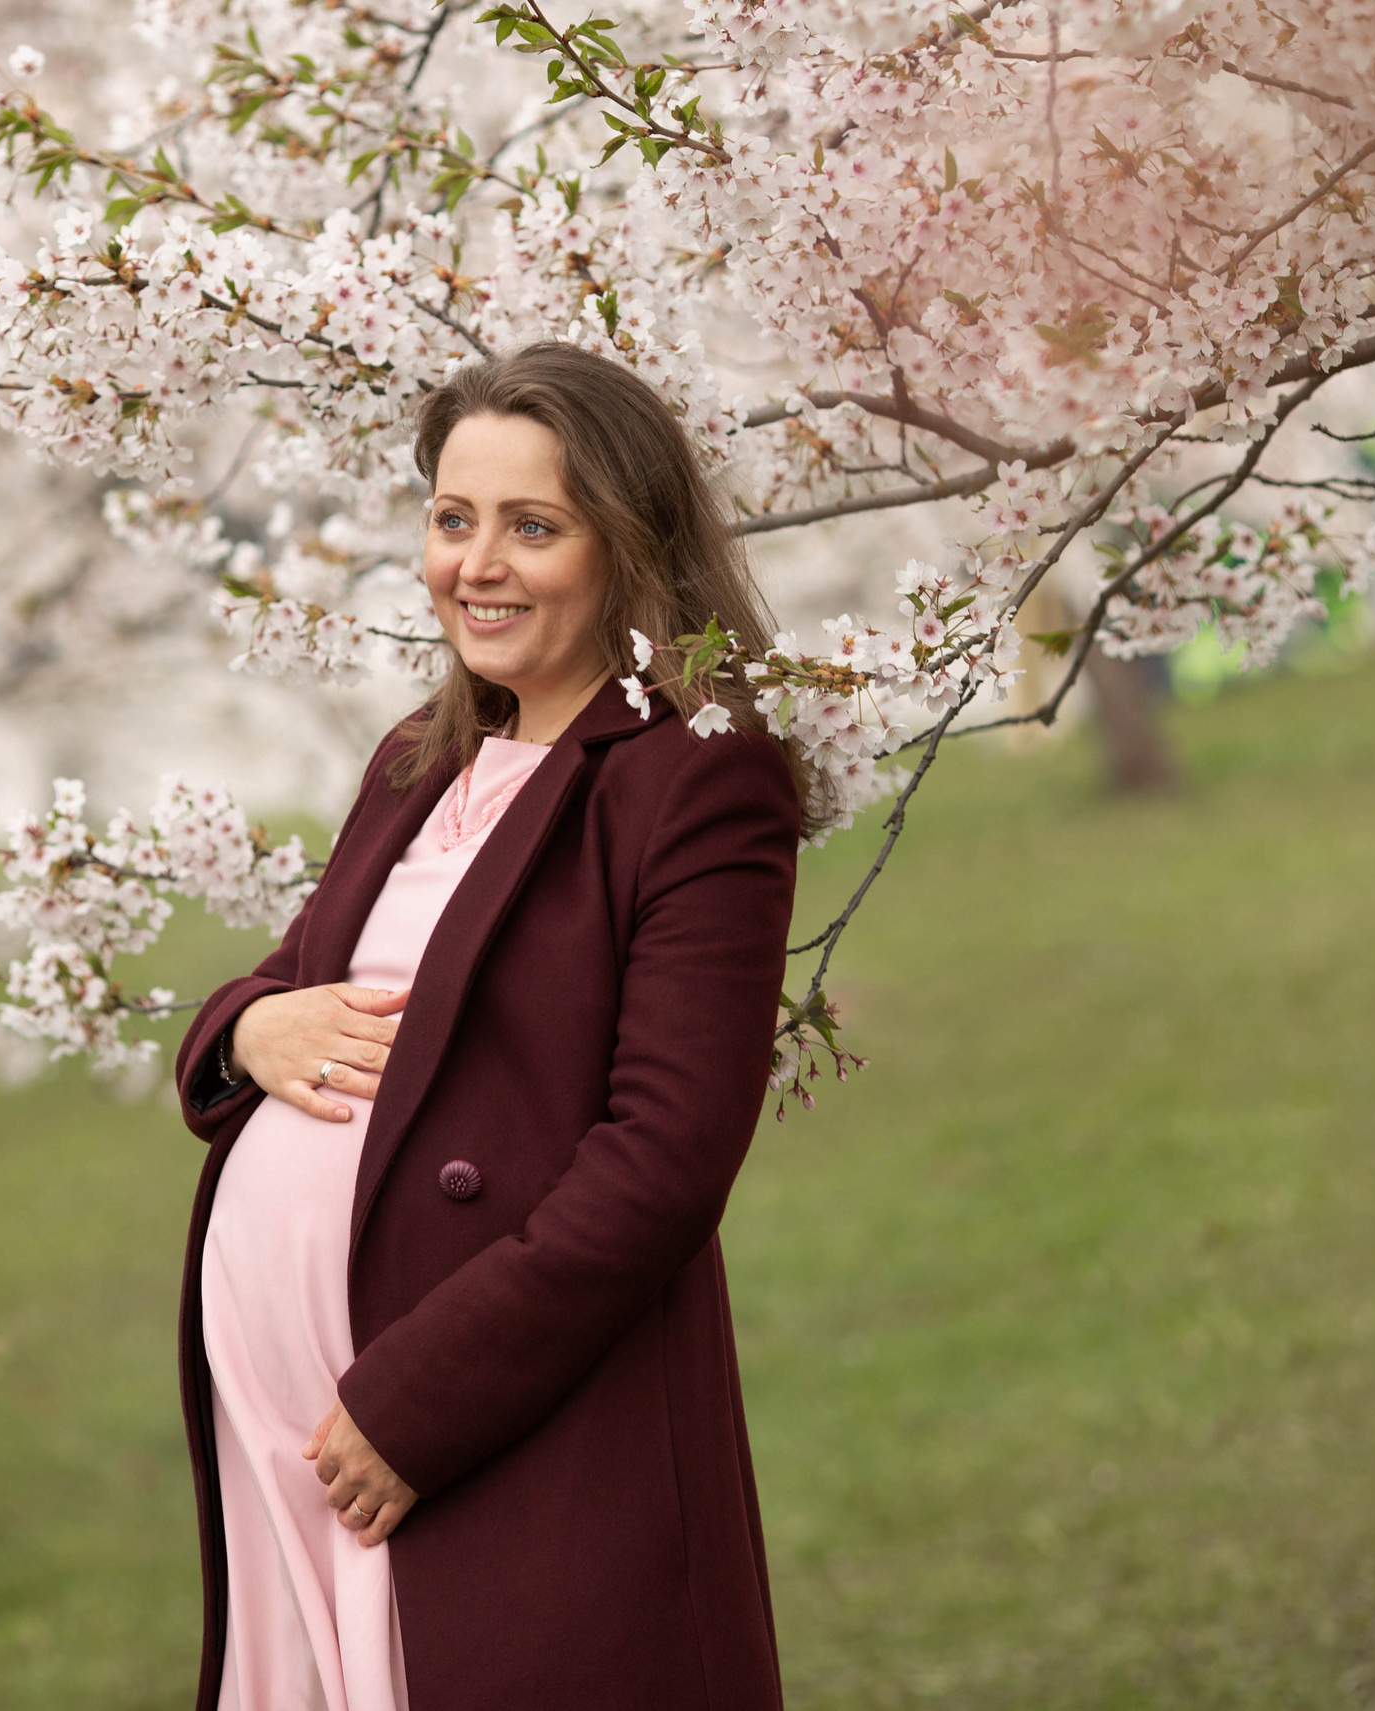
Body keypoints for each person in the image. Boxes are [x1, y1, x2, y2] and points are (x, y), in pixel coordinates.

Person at [172, 341, 814, 1711]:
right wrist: (243, 1033)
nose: (479, 564)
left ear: (625, 545)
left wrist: (419, 1404)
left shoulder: (695, 776)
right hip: (287, 1449)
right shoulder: (420, 757)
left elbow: (667, 1156)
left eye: (535, 525)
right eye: (454, 520)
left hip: (494, 1430)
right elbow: (290, 981)